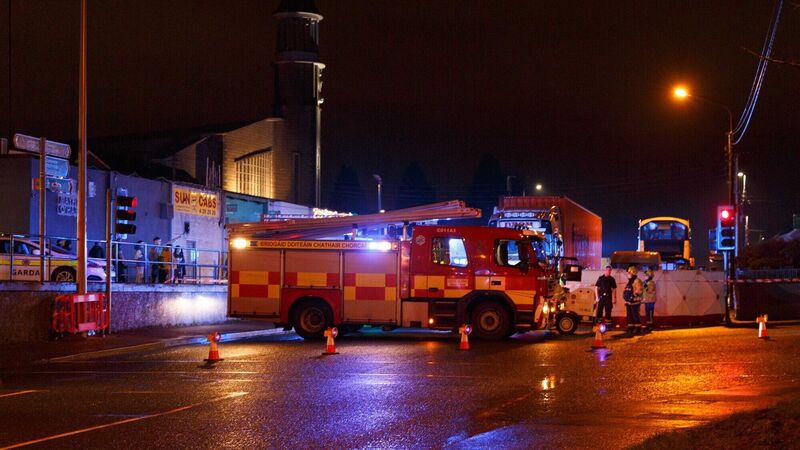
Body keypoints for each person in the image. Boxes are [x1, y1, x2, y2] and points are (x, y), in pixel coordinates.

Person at [623, 265, 644, 335]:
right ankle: (631, 326)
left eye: (629, 272)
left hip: (635, 301)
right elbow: (627, 290)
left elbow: (639, 290)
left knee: (635, 315)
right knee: (629, 315)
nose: (628, 274)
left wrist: (633, 297)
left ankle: (638, 328)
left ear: (633, 272)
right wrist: (625, 297)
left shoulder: (637, 281)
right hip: (629, 302)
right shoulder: (630, 281)